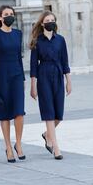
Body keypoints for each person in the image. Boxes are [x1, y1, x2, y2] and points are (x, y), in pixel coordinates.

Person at [30, 10, 71, 160]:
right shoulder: (37, 41)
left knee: (58, 114)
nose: (50, 22)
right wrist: (33, 86)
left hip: (58, 74)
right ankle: (56, 148)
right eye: (47, 20)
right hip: (44, 75)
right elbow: (33, 65)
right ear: (42, 23)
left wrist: (68, 81)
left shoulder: (60, 40)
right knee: (48, 112)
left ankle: (47, 134)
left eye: (52, 20)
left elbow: (65, 62)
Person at [0, 5, 26, 163]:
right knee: (4, 112)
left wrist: (23, 78)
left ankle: (18, 143)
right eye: (6, 14)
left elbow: (19, 57)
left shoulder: (18, 34)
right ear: (0, 18)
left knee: (19, 112)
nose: (10, 16)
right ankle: (8, 147)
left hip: (17, 74)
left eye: (11, 14)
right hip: (2, 75)